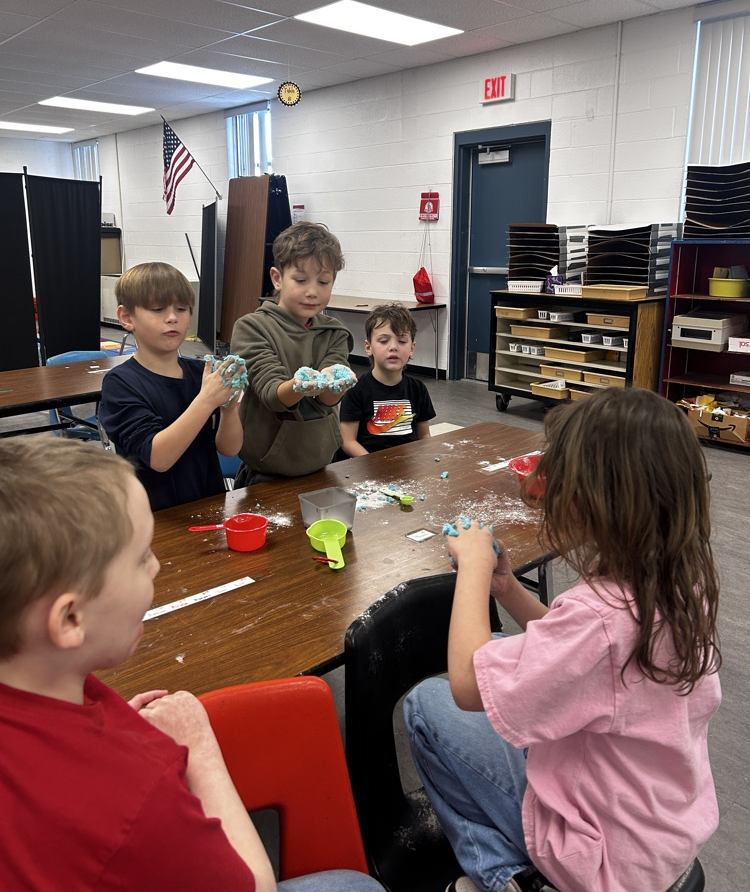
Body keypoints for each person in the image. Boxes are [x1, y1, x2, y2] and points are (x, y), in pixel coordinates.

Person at [0, 436, 384, 892]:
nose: (157, 567)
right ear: (70, 618)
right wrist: (198, 745)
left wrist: (103, 724)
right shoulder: (133, 797)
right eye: (142, 556)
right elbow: (253, 885)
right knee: (355, 885)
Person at [404, 387, 722, 892]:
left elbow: (467, 683)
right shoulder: (681, 583)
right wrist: (506, 588)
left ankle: (507, 877)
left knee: (426, 704)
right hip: (660, 828)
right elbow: (578, 653)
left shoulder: (602, 617)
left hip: (599, 855)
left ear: (586, 500)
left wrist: (473, 566)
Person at [99, 262, 245, 511]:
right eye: (157, 309)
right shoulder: (120, 384)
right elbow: (159, 458)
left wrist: (228, 409)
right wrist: (207, 400)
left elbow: (230, 449)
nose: (172, 318)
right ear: (126, 317)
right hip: (154, 516)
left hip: (208, 505)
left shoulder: (201, 373)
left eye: (182, 309)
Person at [230, 221, 355, 487]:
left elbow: (328, 399)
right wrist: (299, 386)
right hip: (266, 472)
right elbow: (271, 394)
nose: (312, 291)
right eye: (300, 280)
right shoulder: (252, 327)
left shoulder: (334, 332)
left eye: (323, 282)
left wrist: (336, 382)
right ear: (277, 278)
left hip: (323, 463)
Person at [340, 302, 435, 456]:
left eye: (402, 341)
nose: (393, 347)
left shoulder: (418, 389)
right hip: (368, 467)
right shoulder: (356, 390)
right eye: (384, 341)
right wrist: (375, 464)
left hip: (407, 467)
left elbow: (424, 436)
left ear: (412, 348)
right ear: (368, 347)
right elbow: (348, 441)